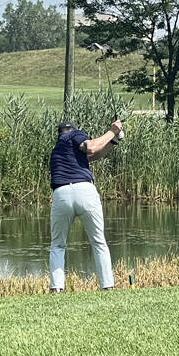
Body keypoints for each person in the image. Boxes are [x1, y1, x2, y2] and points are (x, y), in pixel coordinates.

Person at [48, 118, 123, 293]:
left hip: (60, 195)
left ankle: (56, 288)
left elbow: (92, 155)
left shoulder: (57, 149)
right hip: (85, 190)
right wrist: (113, 131)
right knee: (98, 242)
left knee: (58, 245)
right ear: (73, 130)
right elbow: (91, 147)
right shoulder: (75, 135)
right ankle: (107, 286)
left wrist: (113, 141)